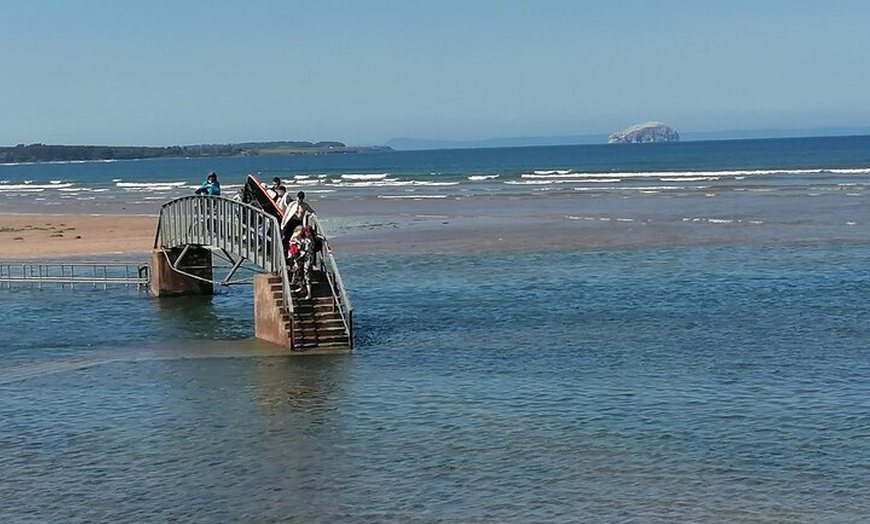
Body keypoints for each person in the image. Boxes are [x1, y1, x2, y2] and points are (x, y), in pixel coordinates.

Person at [281, 191, 315, 255]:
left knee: (297, 238)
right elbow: (286, 214)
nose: (299, 200)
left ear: (302, 199)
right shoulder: (292, 204)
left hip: (298, 223)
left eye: (300, 199)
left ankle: (295, 253)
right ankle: (285, 252)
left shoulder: (305, 205)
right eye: (298, 198)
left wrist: (312, 215)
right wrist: (283, 223)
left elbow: (312, 211)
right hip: (291, 222)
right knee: (287, 237)